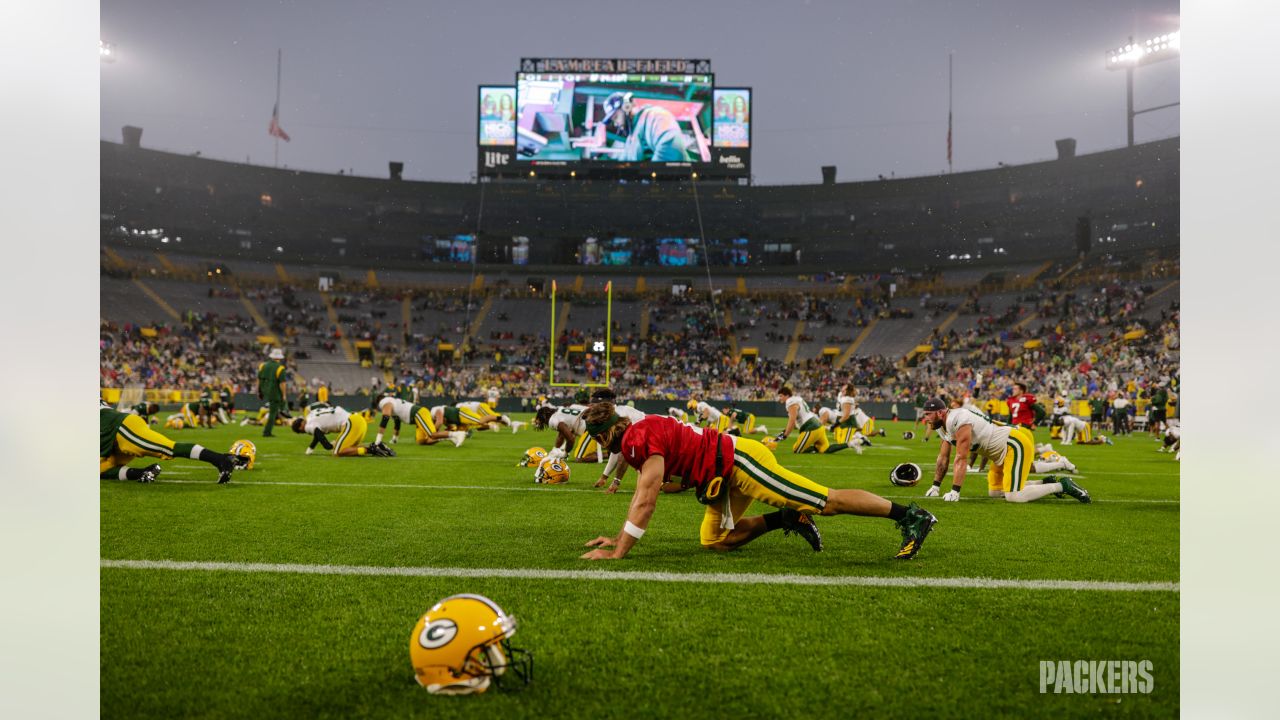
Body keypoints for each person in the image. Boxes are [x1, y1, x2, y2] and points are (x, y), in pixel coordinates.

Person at [576, 402, 938, 561]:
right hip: (721, 471)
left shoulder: (637, 440)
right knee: (715, 541)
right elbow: (654, 488)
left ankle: (911, 516)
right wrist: (620, 534)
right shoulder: (640, 433)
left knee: (826, 502)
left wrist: (621, 547)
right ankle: (787, 519)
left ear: (605, 433)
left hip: (740, 462)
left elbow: (646, 499)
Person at [919, 397, 1091, 504]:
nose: (925, 418)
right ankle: (1045, 482)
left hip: (1012, 444)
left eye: (928, 414)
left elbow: (961, 458)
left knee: (1013, 496)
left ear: (940, 412)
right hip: (998, 452)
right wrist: (936, 486)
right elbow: (943, 458)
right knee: (995, 492)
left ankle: (1062, 485)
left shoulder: (958, 419)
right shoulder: (941, 425)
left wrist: (955, 491)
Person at [100, 400, 242, 483]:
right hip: (107, 438)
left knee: (168, 448)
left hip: (120, 428)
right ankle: (142, 473)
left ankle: (221, 459)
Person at [602, 91, 693, 163]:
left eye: (615, 117)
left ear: (626, 107)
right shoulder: (630, 139)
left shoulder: (653, 116)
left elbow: (671, 149)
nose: (615, 124)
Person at [776, 386, 858, 454]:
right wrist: (785, 431)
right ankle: (850, 444)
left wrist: (785, 435)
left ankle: (815, 449)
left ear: (787, 395)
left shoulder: (790, 401)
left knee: (796, 450)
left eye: (781, 396)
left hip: (811, 427)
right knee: (825, 449)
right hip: (818, 426)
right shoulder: (797, 398)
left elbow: (792, 420)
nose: (779, 398)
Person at [290, 404, 391, 457]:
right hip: (358, 420)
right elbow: (317, 433)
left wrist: (329, 446)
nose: (303, 432)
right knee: (349, 448)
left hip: (351, 423)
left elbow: (317, 433)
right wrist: (310, 449)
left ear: (300, 427)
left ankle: (370, 450)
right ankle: (378, 446)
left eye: (300, 431)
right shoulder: (311, 415)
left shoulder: (307, 425)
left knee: (337, 452)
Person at [374, 394, 466, 447]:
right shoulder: (394, 404)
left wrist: (378, 440)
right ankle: (448, 436)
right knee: (421, 440)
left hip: (418, 414)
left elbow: (385, 418)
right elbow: (397, 423)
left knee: (432, 434)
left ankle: (457, 433)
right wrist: (394, 439)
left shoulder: (385, 401)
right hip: (417, 416)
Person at [256, 348, 289, 437]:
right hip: (274, 393)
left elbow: (258, 380)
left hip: (264, 390)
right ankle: (267, 432)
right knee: (273, 413)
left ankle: (284, 411)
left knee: (274, 410)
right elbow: (282, 384)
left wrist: (258, 391)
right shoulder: (280, 368)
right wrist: (284, 395)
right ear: (280, 358)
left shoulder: (262, 365)